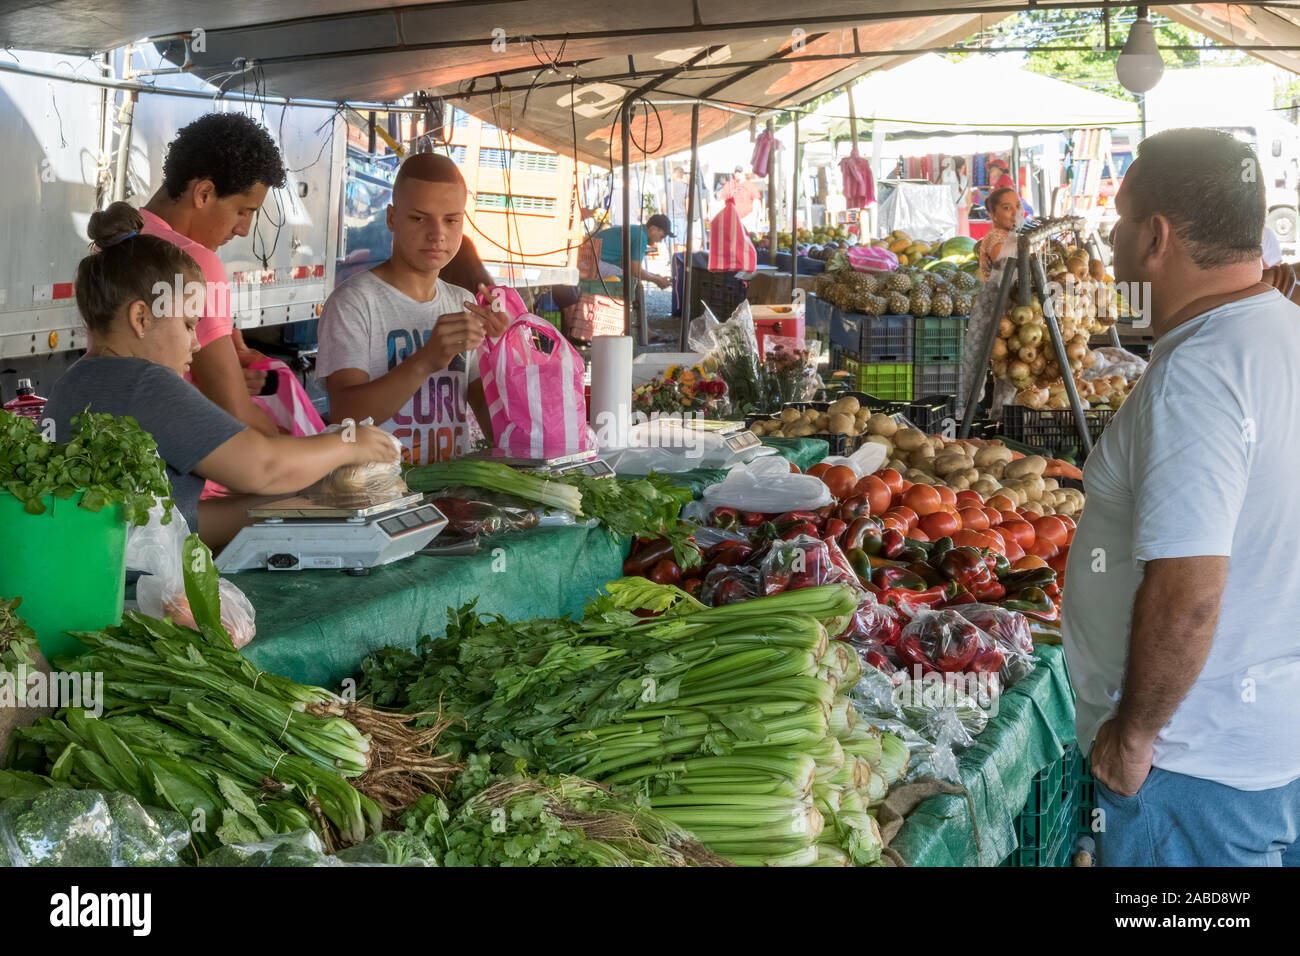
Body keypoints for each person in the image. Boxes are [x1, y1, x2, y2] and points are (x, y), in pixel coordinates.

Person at [1063, 127, 1300, 866]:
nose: (1110, 248)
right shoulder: (1283, 333)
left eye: (1118, 225)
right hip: (1264, 749)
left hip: (1192, 770)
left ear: (1155, 236)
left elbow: (1189, 589)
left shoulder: (1198, 375)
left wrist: (1133, 737)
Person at [45, 203, 397, 552]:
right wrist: (349, 442)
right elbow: (264, 466)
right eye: (187, 325)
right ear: (141, 318)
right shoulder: (144, 383)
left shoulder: (73, 384)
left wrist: (308, 497)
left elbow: (178, 520)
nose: (197, 344)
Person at [315, 153, 510, 465]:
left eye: (451, 220)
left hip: (451, 490)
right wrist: (424, 361)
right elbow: (345, 417)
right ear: (392, 218)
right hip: (377, 496)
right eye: (419, 218)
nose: (437, 234)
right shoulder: (354, 302)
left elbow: (495, 423)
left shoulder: (463, 302)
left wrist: (507, 353)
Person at [138, 113, 288, 438]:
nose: (244, 229)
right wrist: (302, 443)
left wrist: (222, 368)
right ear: (204, 193)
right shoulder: (195, 262)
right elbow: (234, 412)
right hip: (184, 465)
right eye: (243, 211)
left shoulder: (114, 240)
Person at [591, 214, 672, 290]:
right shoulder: (641, 236)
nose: (661, 241)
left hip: (591, 259)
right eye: (662, 236)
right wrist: (657, 279)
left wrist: (656, 277)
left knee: (629, 278)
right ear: (653, 229)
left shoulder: (637, 231)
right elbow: (635, 271)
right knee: (628, 281)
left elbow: (630, 268)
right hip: (591, 262)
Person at [977, 187, 1020, 281]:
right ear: (993, 215)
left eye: (1017, 206)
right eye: (1007, 208)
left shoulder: (1006, 235)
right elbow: (1012, 275)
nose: (1016, 212)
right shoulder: (996, 239)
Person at [669, 167, 690, 251]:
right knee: (682, 241)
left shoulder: (669, 186)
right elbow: (687, 203)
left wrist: (665, 213)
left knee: (671, 241)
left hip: (670, 215)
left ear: (674, 174)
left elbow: (663, 202)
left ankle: (673, 259)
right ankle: (680, 260)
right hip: (682, 216)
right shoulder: (686, 187)